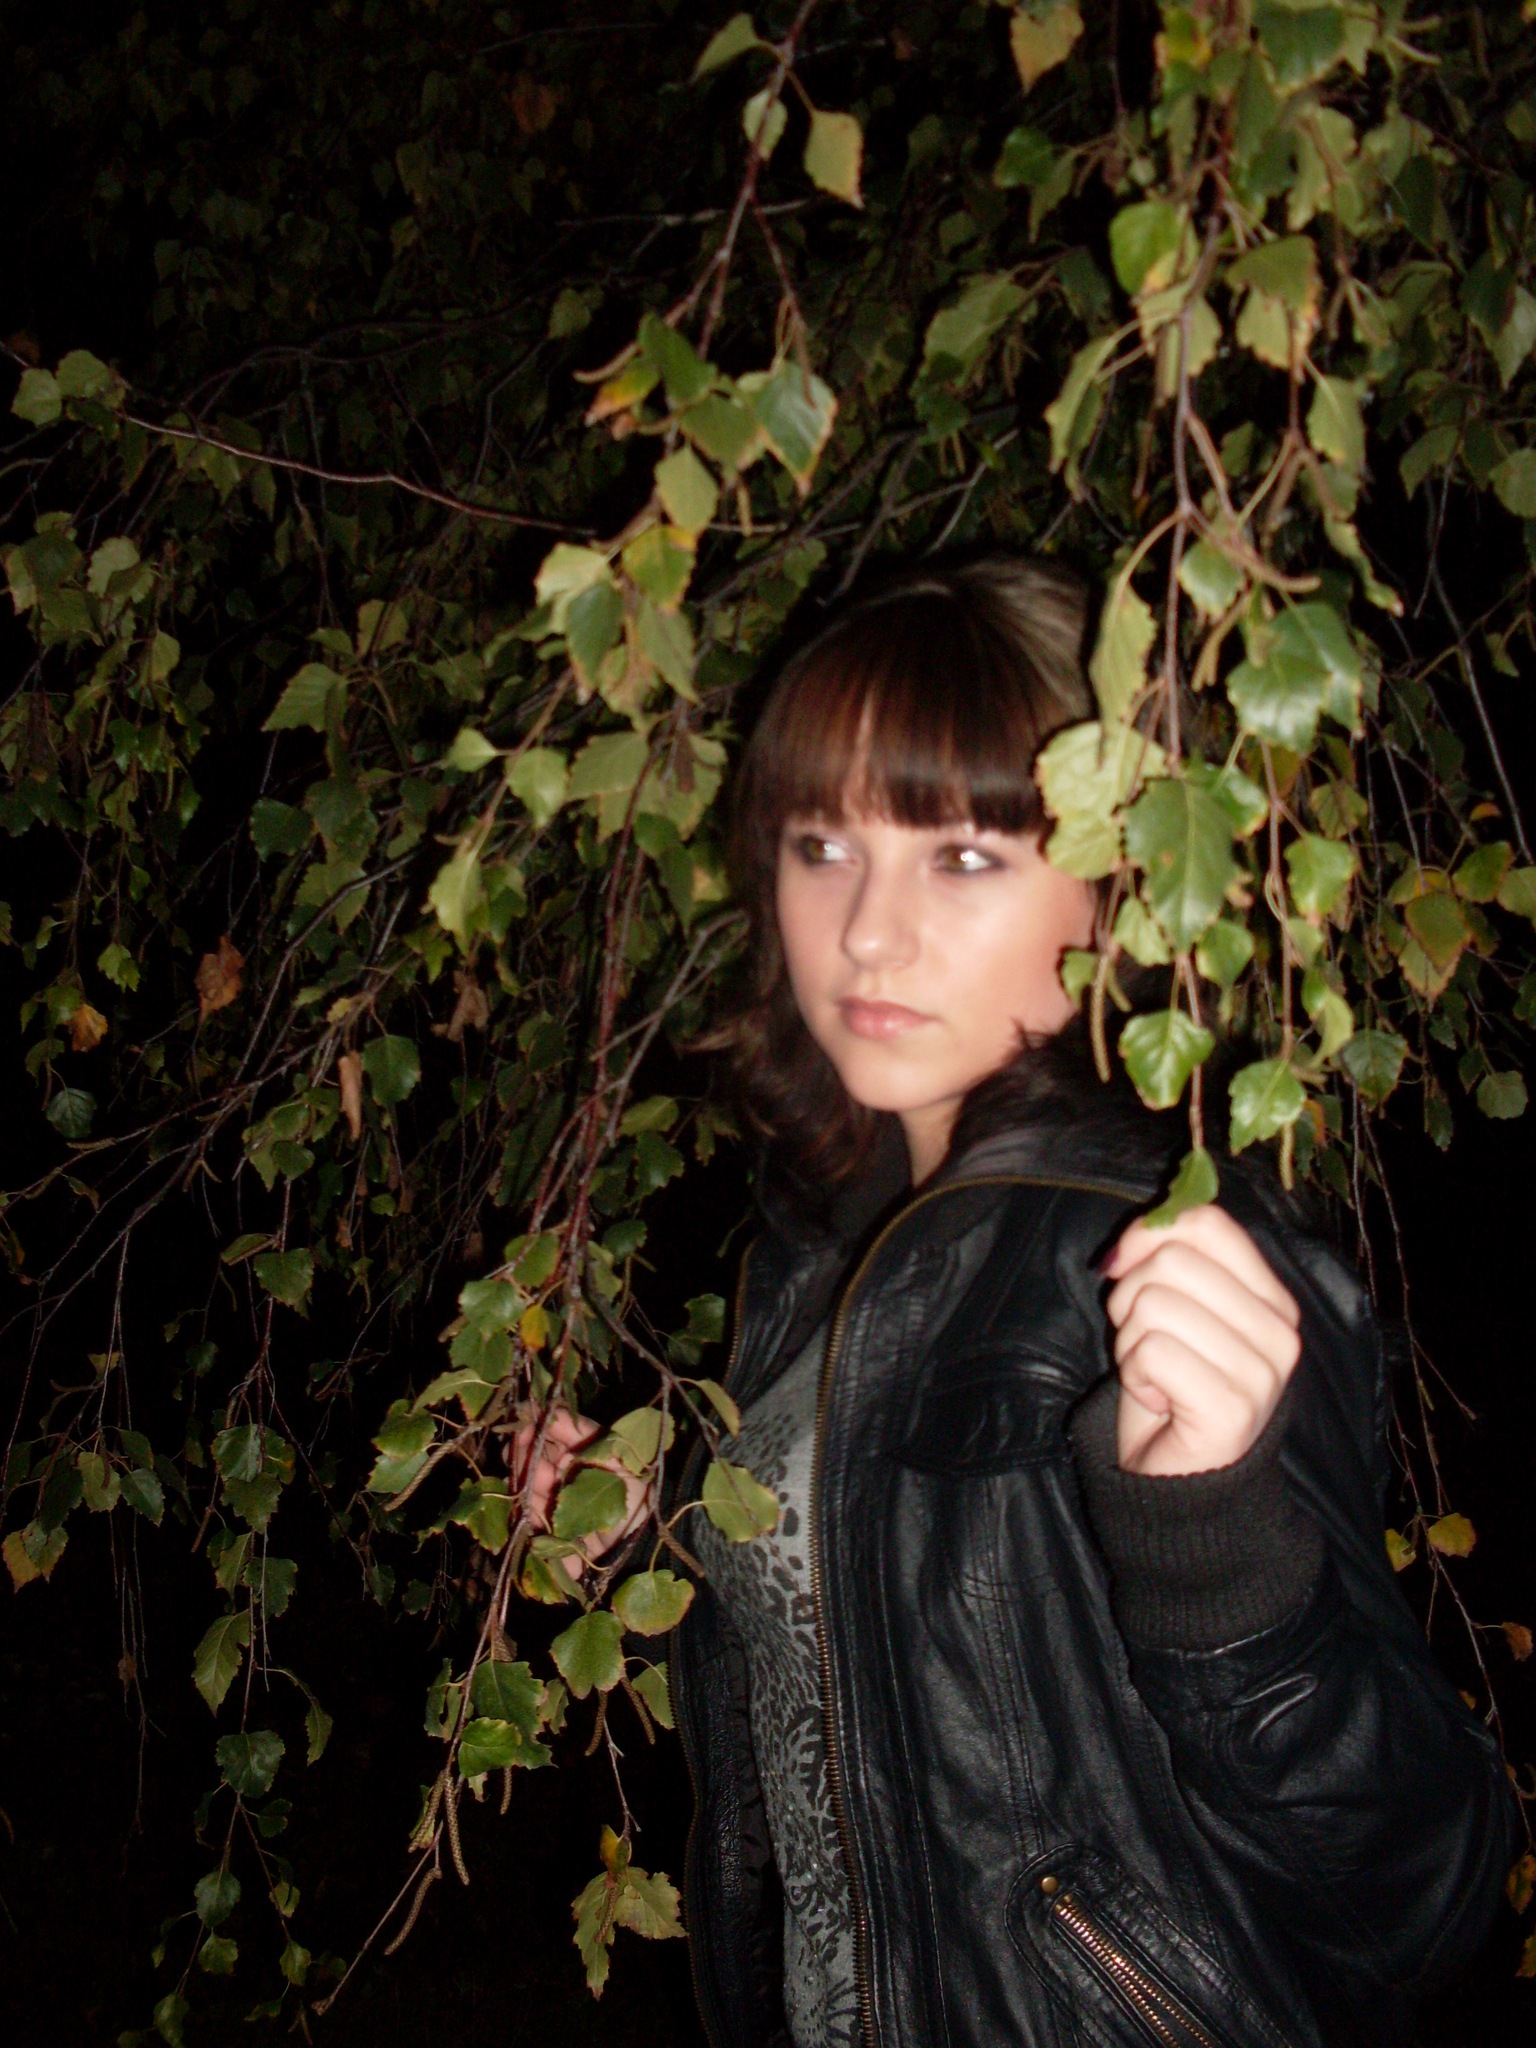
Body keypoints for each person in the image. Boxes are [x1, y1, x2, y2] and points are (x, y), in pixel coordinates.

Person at [525, 559, 1516, 2048]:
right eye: (823, 845)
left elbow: (1423, 1897)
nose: (868, 932)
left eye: (965, 857)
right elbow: (896, 1703)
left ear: (1121, 884)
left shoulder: (1159, 1252)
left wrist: (1216, 1557)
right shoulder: (818, 1251)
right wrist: (642, 1533)